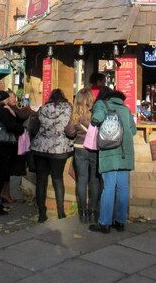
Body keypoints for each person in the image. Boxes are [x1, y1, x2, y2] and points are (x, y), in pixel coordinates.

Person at [89, 88, 136, 234]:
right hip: (125, 152)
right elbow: (133, 130)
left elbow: (96, 119)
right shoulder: (125, 109)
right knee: (123, 188)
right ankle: (120, 222)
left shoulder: (102, 104)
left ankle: (104, 223)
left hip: (110, 151)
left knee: (108, 187)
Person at [29, 88, 73, 222]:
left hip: (41, 148)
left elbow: (34, 128)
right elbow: (69, 128)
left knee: (41, 181)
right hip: (59, 149)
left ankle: (42, 213)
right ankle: (61, 212)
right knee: (58, 179)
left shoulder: (43, 108)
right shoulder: (68, 108)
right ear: (63, 97)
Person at [64, 88, 100, 223]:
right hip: (94, 149)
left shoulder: (75, 115)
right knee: (94, 181)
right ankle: (92, 211)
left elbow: (70, 133)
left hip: (79, 149)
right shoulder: (96, 114)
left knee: (82, 180)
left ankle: (82, 213)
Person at [0, 91, 27, 215]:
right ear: (5, 99)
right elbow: (11, 126)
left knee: (1, 173)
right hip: (4, 146)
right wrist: (21, 129)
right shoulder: (5, 110)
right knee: (1, 174)